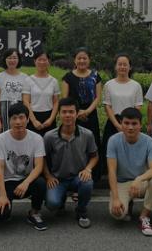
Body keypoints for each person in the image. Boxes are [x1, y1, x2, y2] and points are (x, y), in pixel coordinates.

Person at [107, 108, 152, 237]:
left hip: (141, 182)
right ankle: (128, 203)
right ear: (121, 123)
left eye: (134, 123)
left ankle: (144, 216)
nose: (130, 127)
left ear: (140, 125)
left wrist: (139, 179)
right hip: (122, 183)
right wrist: (115, 198)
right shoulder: (113, 140)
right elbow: (111, 171)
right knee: (117, 214)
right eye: (126, 123)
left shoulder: (149, 141)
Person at [0, 102, 48, 231]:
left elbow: (39, 166)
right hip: (7, 182)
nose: (18, 122)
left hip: (26, 181)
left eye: (21, 117)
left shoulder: (37, 138)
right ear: (9, 120)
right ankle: (6, 206)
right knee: (1, 216)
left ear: (27, 119)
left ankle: (34, 212)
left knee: (40, 183)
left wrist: (26, 183)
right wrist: (2, 195)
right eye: (14, 118)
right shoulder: (0, 139)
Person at [44, 97, 98, 229]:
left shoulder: (87, 134)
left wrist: (88, 169)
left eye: (71, 112)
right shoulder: (49, 136)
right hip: (58, 179)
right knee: (52, 204)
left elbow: (94, 156)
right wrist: (48, 176)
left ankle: (81, 211)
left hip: (78, 177)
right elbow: (42, 159)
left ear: (77, 113)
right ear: (59, 114)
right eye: (64, 112)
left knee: (87, 183)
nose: (67, 115)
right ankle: (60, 202)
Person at [61, 48, 102, 179]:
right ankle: (75, 175)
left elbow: (97, 97)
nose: (82, 60)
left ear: (89, 60)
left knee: (92, 144)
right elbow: (65, 98)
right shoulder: (68, 77)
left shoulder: (95, 76)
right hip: (73, 116)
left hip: (91, 115)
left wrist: (87, 111)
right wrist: (76, 112)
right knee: (75, 145)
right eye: (79, 58)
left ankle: (93, 176)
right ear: (75, 60)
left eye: (85, 58)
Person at [101, 53, 144, 172]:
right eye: (120, 64)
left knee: (130, 151)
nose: (122, 67)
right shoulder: (109, 85)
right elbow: (107, 106)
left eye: (125, 64)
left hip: (131, 123)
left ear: (130, 67)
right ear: (115, 66)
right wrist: (117, 125)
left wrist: (128, 124)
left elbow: (138, 106)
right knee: (110, 151)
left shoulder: (136, 85)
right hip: (113, 122)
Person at [0, 48, 30, 134]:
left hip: (20, 112)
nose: (12, 60)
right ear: (5, 59)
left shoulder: (25, 77)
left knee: (19, 135)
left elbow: (26, 100)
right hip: (3, 111)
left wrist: (27, 117)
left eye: (14, 58)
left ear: (19, 59)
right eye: (9, 58)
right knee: (4, 136)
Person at [23, 51, 60, 137]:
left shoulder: (54, 81)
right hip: (32, 116)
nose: (42, 62)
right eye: (39, 60)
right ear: (35, 61)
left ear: (48, 62)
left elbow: (56, 102)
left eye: (44, 60)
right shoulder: (28, 80)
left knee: (49, 143)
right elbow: (26, 101)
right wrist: (34, 121)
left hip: (49, 116)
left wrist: (51, 119)